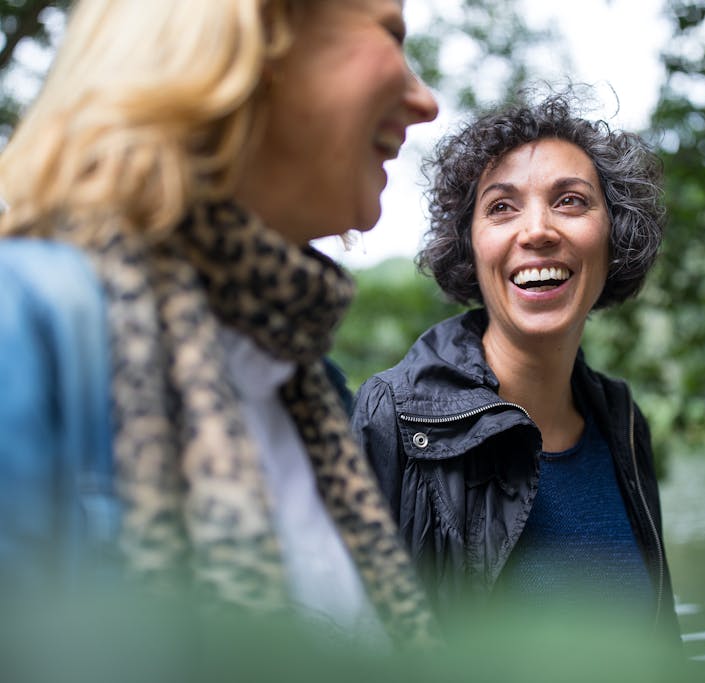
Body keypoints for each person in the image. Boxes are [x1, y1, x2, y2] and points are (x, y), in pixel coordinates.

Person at [0, 0, 439, 648]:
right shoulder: (24, 324)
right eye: (391, 32)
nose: (425, 99)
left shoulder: (308, 389)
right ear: (256, 33)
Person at [350, 92, 680, 642]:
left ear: (613, 237)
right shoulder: (394, 420)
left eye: (571, 201)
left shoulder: (623, 422)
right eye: (501, 207)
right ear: (470, 247)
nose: (537, 231)